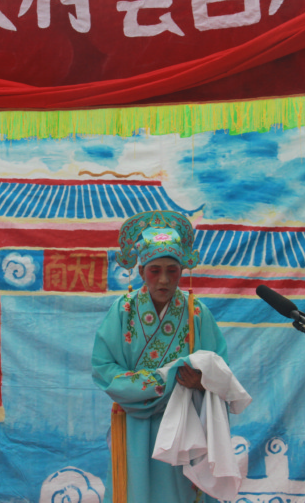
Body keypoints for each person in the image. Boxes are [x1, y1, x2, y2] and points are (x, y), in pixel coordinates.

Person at [92, 211, 229, 503]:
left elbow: (220, 367)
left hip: (184, 424)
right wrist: (157, 384)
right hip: (135, 420)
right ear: (141, 271)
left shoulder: (196, 313)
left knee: (179, 492)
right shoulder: (123, 310)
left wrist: (201, 381)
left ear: (182, 270)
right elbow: (103, 366)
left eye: (172, 270)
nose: (164, 280)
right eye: (155, 270)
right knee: (135, 490)